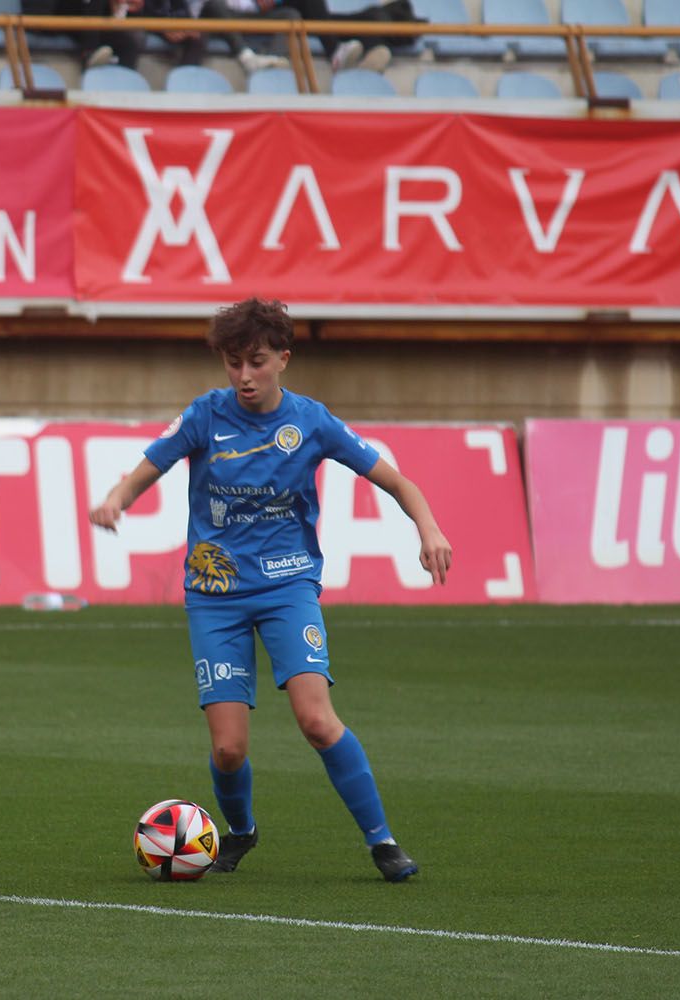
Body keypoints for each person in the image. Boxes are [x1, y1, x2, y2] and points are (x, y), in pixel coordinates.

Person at [89, 298, 451, 882]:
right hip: (216, 594)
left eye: (256, 362)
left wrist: (428, 528)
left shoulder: (310, 421)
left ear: (283, 358)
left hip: (288, 588)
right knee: (229, 748)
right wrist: (116, 499)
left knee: (316, 720)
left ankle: (382, 841)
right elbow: (147, 467)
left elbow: (396, 480)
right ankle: (241, 832)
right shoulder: (206, 415)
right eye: (233, 364)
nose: (244, 377)